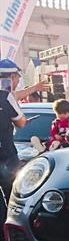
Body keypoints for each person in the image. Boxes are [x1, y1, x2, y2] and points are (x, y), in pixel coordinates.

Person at [0, 59, 28, 229]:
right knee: (13, 196)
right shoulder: (5, 96)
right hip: (6, 156)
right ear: (11, 77)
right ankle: (9, 232)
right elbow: (21, 122)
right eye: (17, 77)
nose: (17, 81)